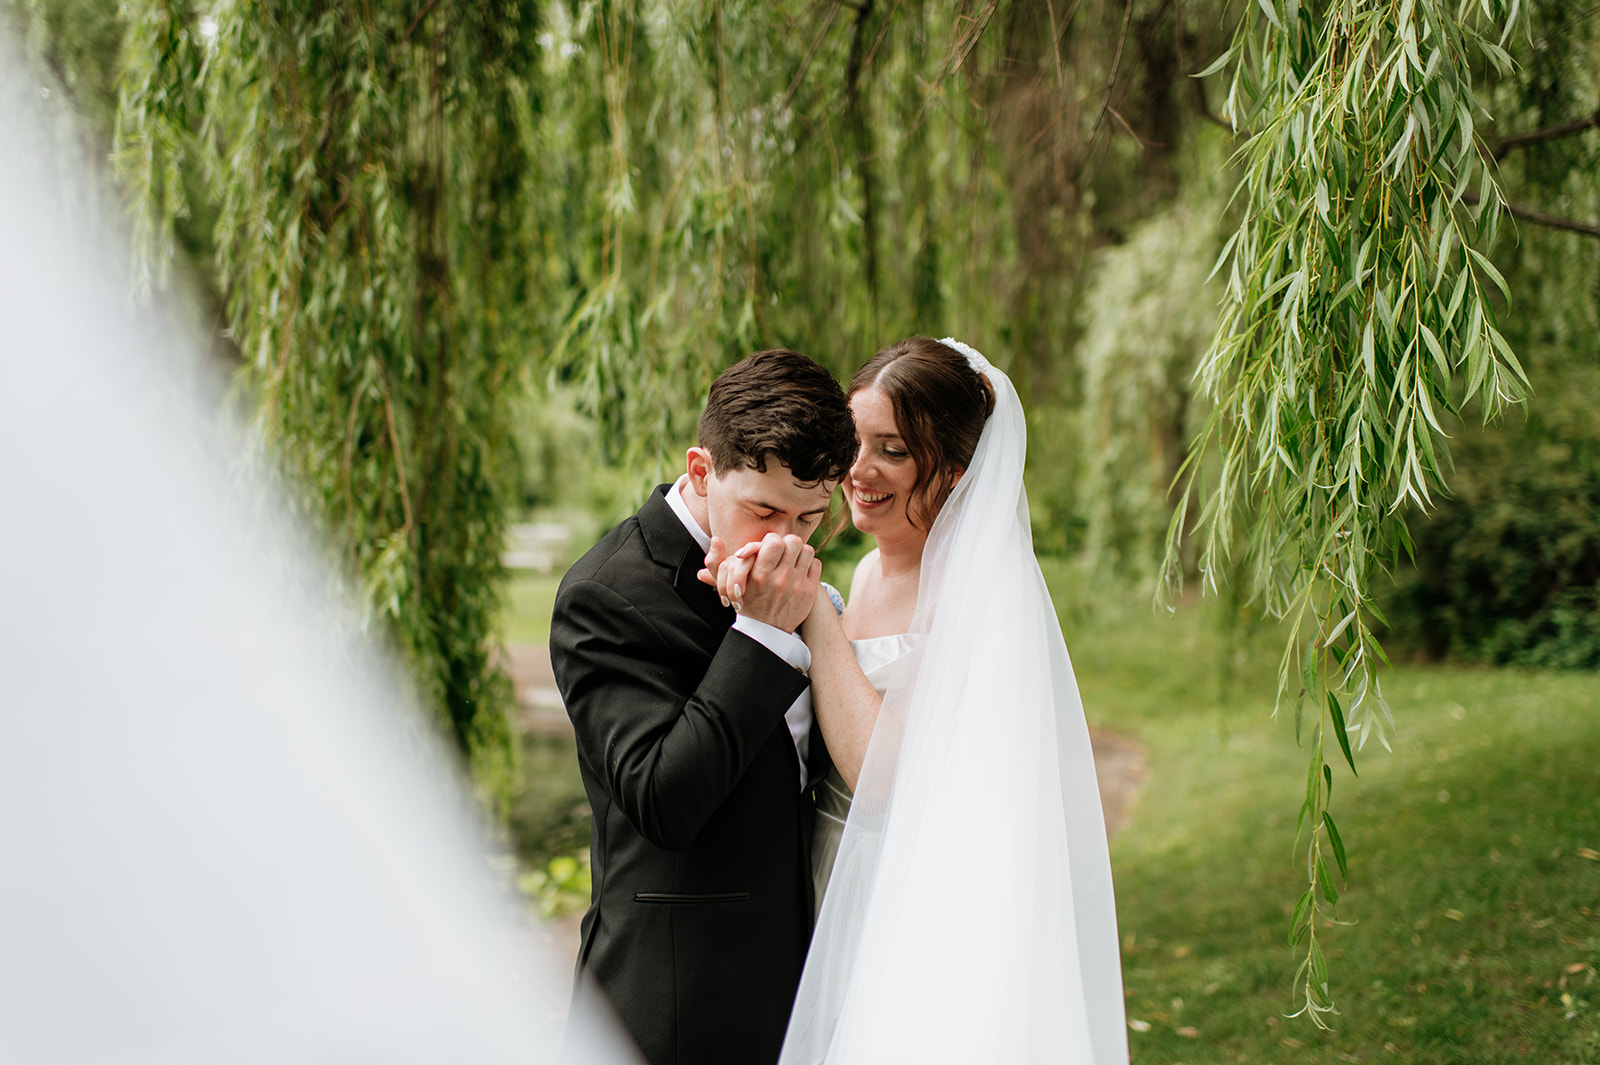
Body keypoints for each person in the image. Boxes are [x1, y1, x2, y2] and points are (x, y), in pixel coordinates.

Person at [713, 337, 1128, 1063]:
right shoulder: (868, 573)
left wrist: (813, 614)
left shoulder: (982, 595)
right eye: (855, 441)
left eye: (893, 450)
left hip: (914, 897)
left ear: (958, 471)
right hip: (824, 873)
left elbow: (886, 778)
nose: (856, 470)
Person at [549, 349, 857, 1065]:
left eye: (811, 516)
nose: (787, 536)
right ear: (699, 470)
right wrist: (761, 633)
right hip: (676, 1007)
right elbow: (663, 799)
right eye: (764, 509)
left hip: (796, 988)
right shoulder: (607, 594)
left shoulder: (786, 576)